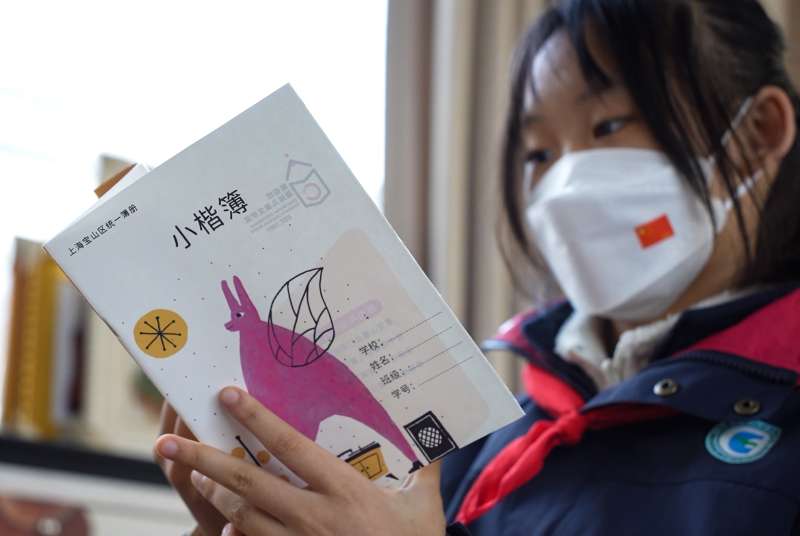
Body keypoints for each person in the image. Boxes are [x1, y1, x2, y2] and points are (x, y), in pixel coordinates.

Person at [154, 0, 800, 534]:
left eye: (607, 127)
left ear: (759, 135)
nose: (564, 185)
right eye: (538, 154)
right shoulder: (489, 438)